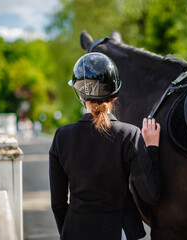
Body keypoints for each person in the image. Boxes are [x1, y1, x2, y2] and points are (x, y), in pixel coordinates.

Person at [49, 52, 161, 240]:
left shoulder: (61, 136)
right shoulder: (130, 134)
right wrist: (152, 149)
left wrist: (67, 232)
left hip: (76, 231)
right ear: (115, 93)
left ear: (79, 93)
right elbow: (151, 194)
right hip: (121, 231)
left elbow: (58, 204)